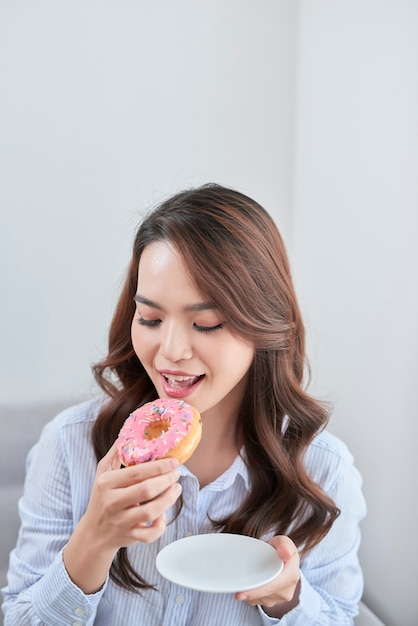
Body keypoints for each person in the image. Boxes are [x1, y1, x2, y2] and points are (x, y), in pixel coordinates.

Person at [2, 183, 366, 625]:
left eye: (205, 324)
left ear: (263, 325)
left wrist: (287, 599)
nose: (170, 350)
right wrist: (93, 541)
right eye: (151, 319)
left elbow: (341, 616)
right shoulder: (70, 444)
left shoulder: (323, 471)